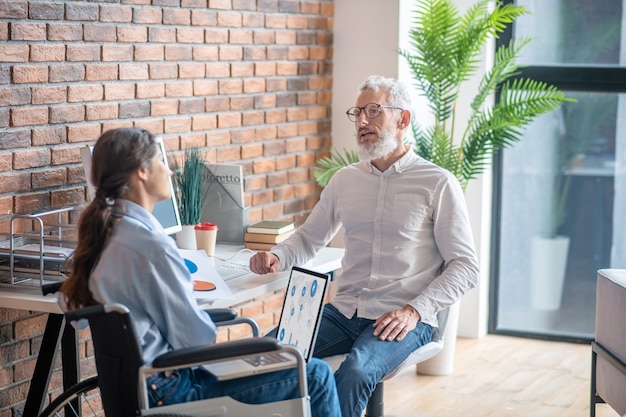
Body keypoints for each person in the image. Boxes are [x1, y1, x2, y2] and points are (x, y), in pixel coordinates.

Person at [60, 127, 341, 415]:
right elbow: (195, 338)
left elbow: (76, 313)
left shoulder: (103, 232)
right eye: (161, 161)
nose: (169, 172)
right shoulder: (152, 246)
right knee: (315, 375)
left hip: (139, 388)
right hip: (173, 391)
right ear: (141, 172)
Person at [250, 75, 480, 417]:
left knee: (355, 373)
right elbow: (310, 238)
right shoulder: (345, 180)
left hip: (402, 318)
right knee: (266, 357)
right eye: (357, 113)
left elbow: (466, 266)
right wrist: (277, 256)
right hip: (343, 312)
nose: (361, 121)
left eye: (373, 111)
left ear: (403, 119)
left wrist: (413, 310)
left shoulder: (437, 183)